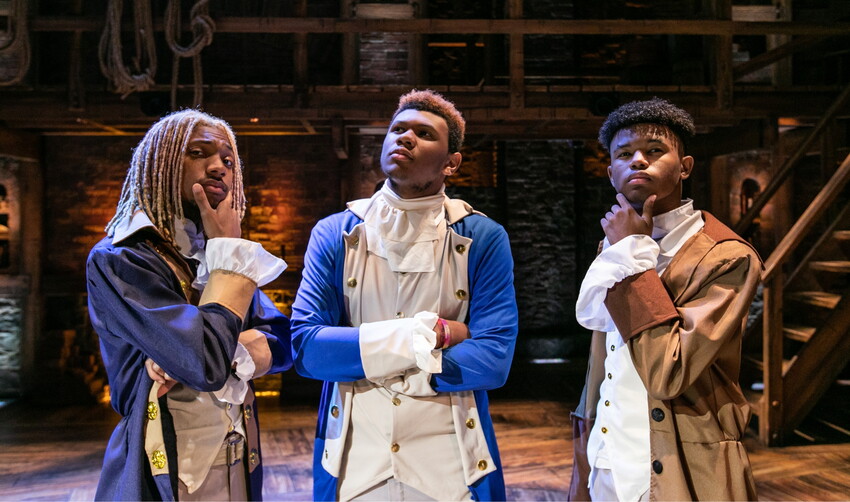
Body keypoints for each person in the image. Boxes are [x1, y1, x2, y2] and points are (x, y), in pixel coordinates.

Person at [291, 89, 519, 501]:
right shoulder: (335, 232)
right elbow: (308, 349)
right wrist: (429, 335)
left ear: (452, 163)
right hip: (354, 461)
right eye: (398, 129)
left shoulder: (483, 237)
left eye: (424, 133)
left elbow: (493, 359)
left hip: (451, 465)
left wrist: (367, 358)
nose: (405, 137)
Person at [86, 109, 291, 501]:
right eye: (199, 152)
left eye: (229, 161)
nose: (219, 167)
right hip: (166, 467)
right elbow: (205, 363)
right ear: (159, 164)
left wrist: (238, 351)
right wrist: (212, 352)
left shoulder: (213, 254)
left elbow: (285, 339)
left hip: (238, 461)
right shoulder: (122, 259)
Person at [568, 98, 761, 501]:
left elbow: (668, 372)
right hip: (607, 459)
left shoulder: (726, 255)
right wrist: (583, 461)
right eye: (624, 154)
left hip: (682, 464)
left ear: (685, 166)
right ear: (610, 173)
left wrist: (630, 254)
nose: (638, 161)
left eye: (654, 151)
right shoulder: (616, 243)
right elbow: (603, 356)